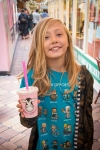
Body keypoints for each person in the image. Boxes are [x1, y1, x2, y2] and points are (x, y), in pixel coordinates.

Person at [17, 18, 94, 150]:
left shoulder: (83, 76)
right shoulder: (31, 77)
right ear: (38, 45)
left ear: (68, 41)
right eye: (46, 37)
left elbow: (87, 116)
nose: (54, 40)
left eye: (59, 34)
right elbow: (27, 123)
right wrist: (25, 113)